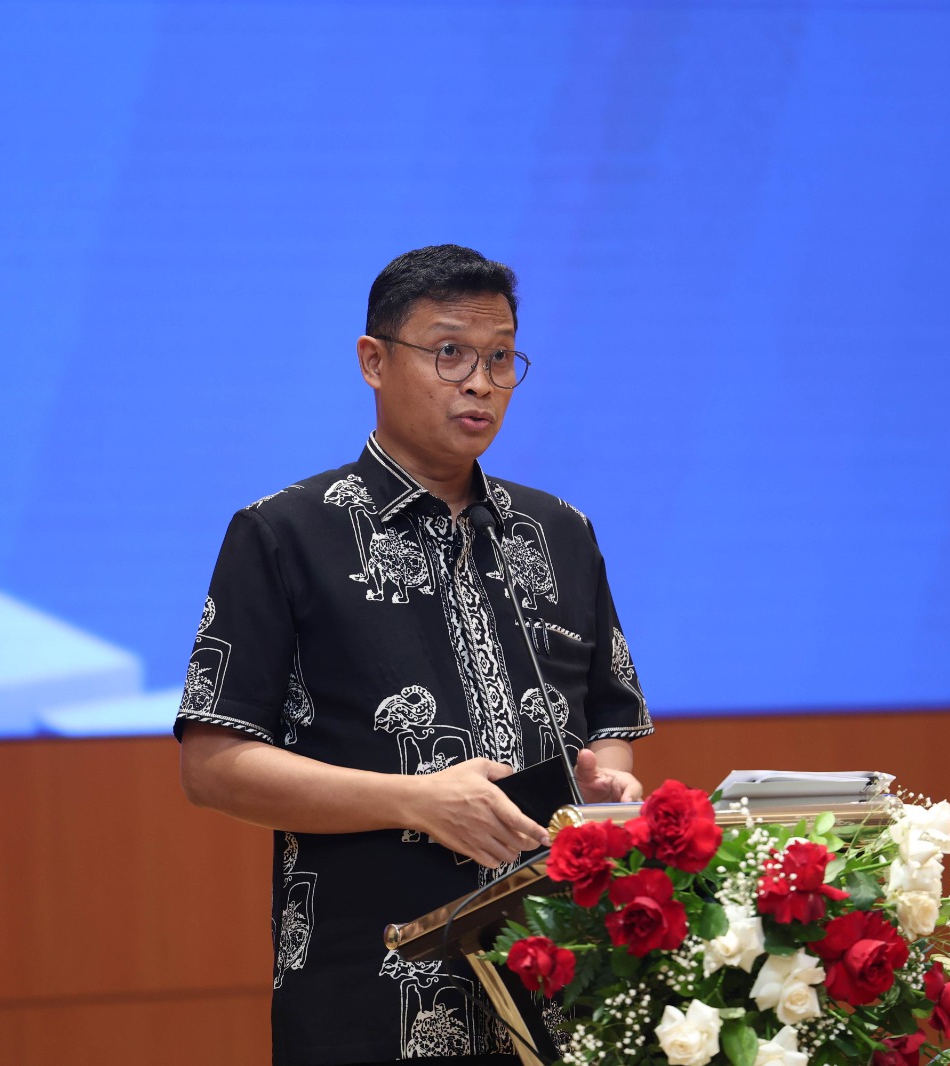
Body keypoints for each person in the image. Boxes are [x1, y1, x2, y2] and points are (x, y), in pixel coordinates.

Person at [174, 244, 653, 1066]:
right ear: (374, 361)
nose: (480, 383)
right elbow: (212, 766)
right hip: (373, 984)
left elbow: (610, 720)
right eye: (450, 352)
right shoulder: (284, 533)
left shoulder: (560, 531)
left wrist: (606, 783)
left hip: (566, 978)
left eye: (500, 358)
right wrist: (416, 801)